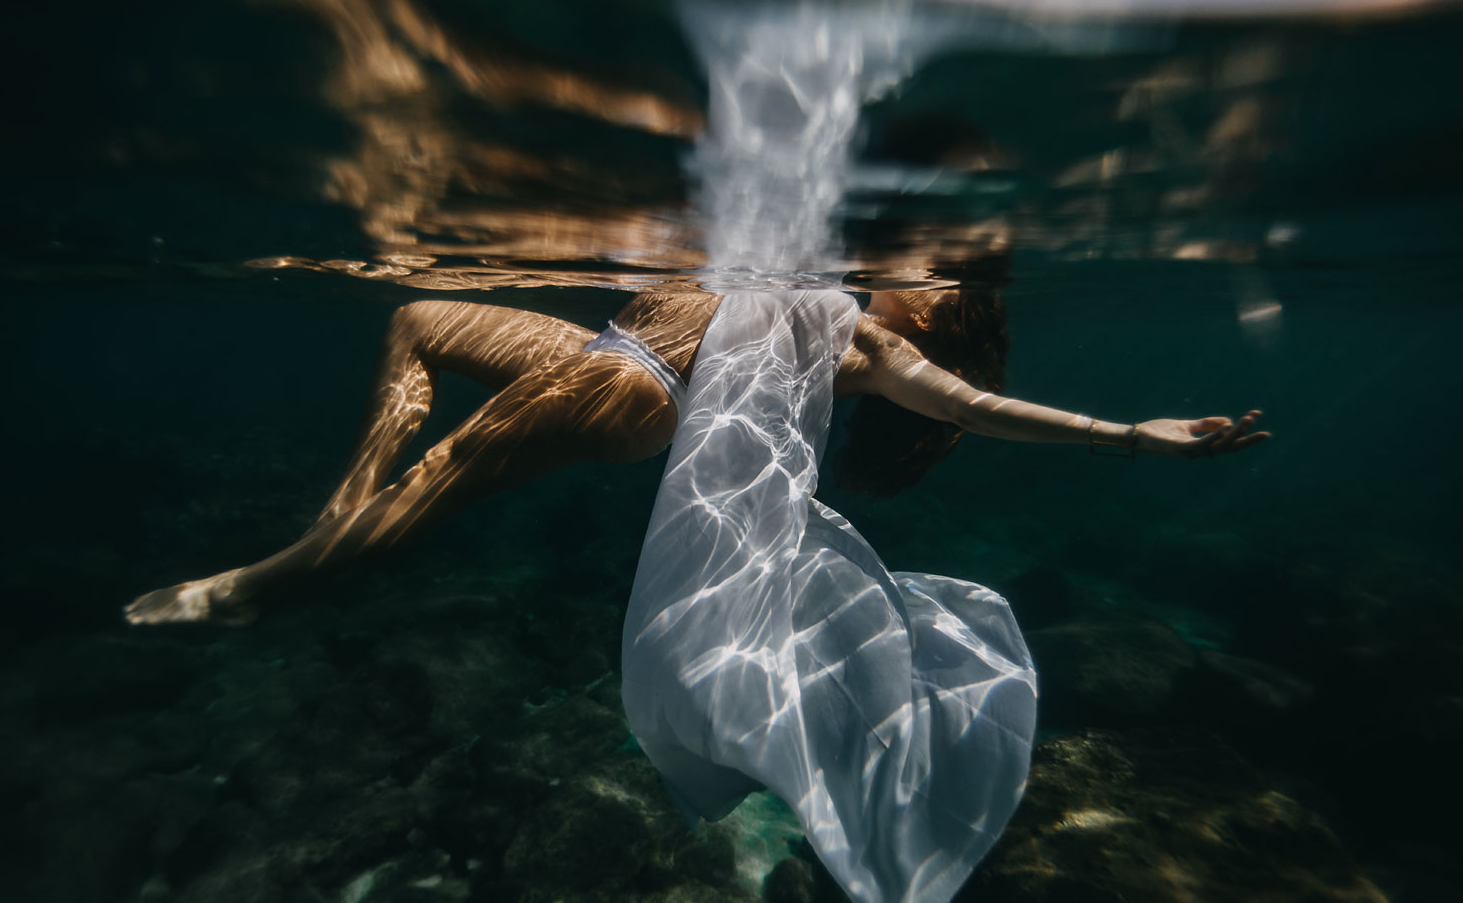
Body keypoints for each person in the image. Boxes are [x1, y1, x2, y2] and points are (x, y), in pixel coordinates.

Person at [124, 285, 1266, 627]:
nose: (923, 275)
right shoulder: (835, 270)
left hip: (634, 388)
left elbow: (983, 405)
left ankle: (256, 586)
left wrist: (1128, 434)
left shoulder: (878, 347)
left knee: (445, 475)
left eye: (940, 290)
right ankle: (339, 511)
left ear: (932, 324)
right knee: (419, 316)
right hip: (599, 344)